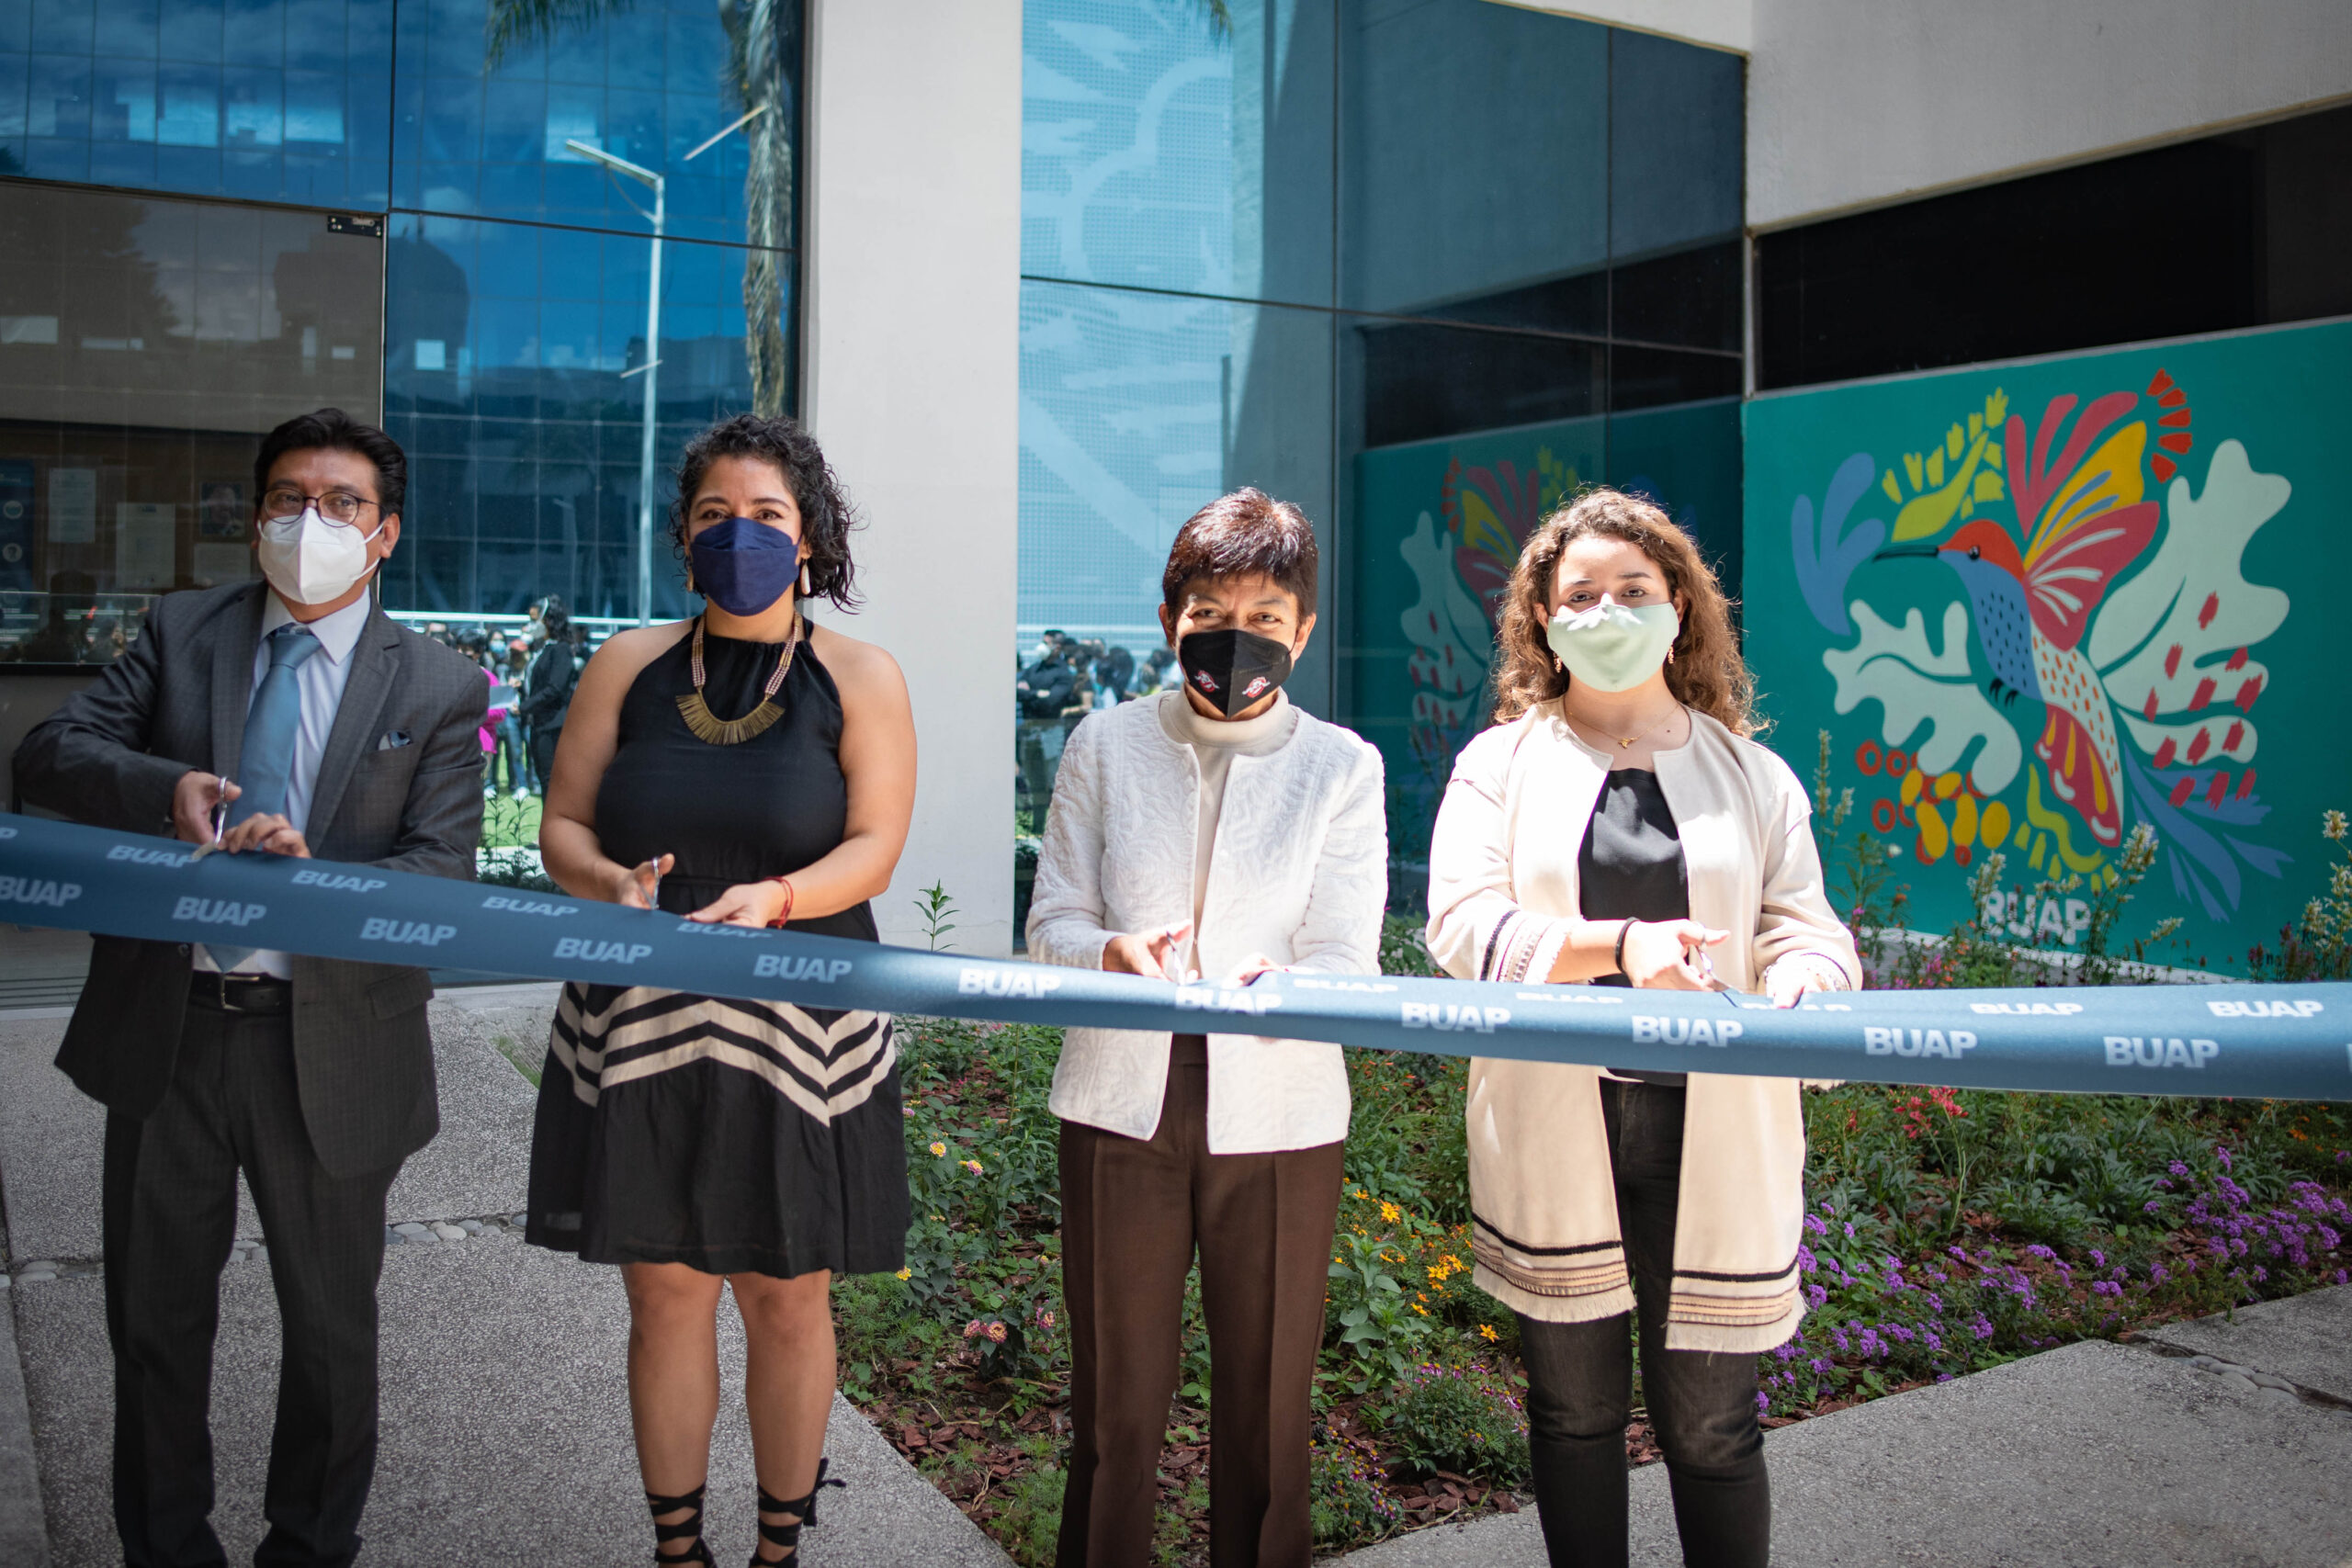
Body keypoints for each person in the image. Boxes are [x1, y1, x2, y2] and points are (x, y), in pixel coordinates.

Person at [12, 407, 487, 1567]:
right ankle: (165, 1545)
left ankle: (310, 1545)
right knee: (154, 1326)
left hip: (328, 1041)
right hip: (170, 1031)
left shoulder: (435, 683)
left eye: (342, 503)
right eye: (288, 498)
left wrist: (313, 885)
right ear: (255, 514)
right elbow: (49, 752)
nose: (309, 521)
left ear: (385, 536)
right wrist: (166, 784)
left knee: (330, 1329)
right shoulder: (186, 631)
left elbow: (439, 874)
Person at [1423, 488, 1860, 1568]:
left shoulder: (1753, 775)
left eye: (1632, 589)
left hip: (1716, 1129)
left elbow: (1805, 926)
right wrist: (1619, 946)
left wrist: (1807, 975)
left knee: (1712, 1428)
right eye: (1579, 595)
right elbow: (1461, 924)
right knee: (1571, 1418)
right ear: (1542, 622)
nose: (1606, 609)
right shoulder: (1498, 767)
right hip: (1555, 1116)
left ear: (1679, 607)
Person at [525, 412, 917, 1568]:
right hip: (639, 1013)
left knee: (788, 1296)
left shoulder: (860, 675)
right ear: (680, 537)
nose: (737, 535)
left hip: (802, 1013)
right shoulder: (625, 666)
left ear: (810, 539)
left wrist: (781, 897)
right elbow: (562, 827)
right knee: (666, 1295)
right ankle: (679, 1552)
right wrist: (604, 879)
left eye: (766, 516)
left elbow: (874, 849)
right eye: (711, 517)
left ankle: (780, 1549)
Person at [1027, 487, 1387, 1568]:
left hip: (1280, 1109)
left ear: (1304, 629)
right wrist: (1111, 953)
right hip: (1117, 1099)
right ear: (1170, 616)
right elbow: (1051, 923)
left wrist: (1287, 979)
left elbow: (1345, 957)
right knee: (1114, 1410)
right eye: (1210, 611)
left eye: (1267, 616)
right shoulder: (1103, 742)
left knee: (1268, 1415)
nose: (1238, 638)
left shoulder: (1342, 767)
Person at [519, 597, 581, 793]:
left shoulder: (560, 650)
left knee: (550, 782)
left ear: (549, 620)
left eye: (535, 619)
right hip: (539, 723)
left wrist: (524, 707)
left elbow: (555, 688)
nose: (532, 624)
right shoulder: (543, 650)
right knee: (543, 778)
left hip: (553, 725)